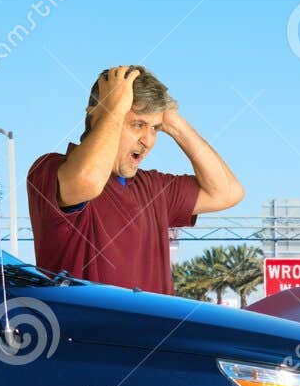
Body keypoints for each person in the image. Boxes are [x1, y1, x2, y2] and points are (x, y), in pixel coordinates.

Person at [27, 65, 243, 294]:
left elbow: (227, 192)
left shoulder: (154, 187)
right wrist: (114, 108)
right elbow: (88, 180)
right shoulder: (49, 170)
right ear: (98, 112)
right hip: (86, 330)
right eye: (138, 124)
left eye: (155, 129)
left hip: (158, 330)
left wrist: (175, 124)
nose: (148, 140)